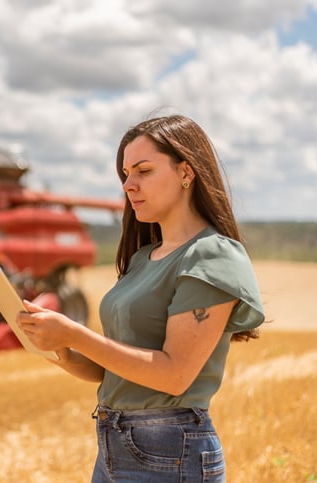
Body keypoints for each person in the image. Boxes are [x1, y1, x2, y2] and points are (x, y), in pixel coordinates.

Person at [17, 114, 265, 482]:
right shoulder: (142, 258)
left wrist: (74, 333)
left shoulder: (211, 255)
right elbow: (118, 367)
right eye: (125, 175)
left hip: (169, 451)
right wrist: (64, 352)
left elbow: (175, 375)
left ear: (186, 172)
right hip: (113, 444)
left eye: (143, 171)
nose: (129, 185)